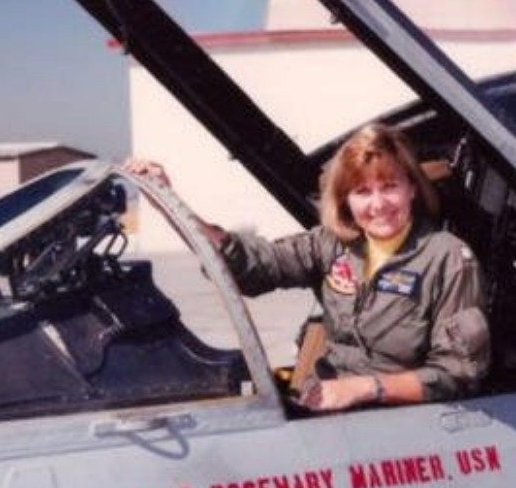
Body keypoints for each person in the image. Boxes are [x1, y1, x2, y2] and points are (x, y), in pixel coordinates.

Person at [126, 123, 489, 412]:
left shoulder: (448, 258)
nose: (378, 205)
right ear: (346, 200)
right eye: (363, 192)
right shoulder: (331, 244)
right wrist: (169, 201)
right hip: (327, 405)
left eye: (389, 186)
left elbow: (458, 373)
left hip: (400, 423)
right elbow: (250, 267)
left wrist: (365, 389)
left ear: (412, 188)